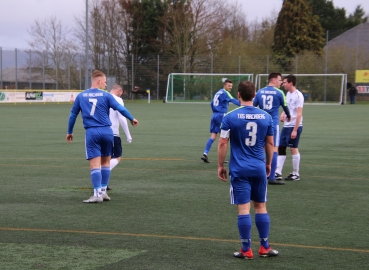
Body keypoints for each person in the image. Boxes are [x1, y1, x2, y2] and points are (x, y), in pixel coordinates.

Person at [218, 81, 279, 260]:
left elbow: (222, 143)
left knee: (244, 209)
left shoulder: (229, 117)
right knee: (261, 206)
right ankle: (265, 247)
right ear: (254, 96)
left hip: (239, 169)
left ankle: (246, 249)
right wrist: (268, 164)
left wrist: (220, 165)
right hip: (258, 167)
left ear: (238, 95)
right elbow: (270, 143)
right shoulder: (266, 117)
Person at [66, 70, 139, 203]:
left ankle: (97, 194)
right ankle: (104, 192)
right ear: (98, 81)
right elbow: (120, 109)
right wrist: (131, 118)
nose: (106, 84)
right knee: (105, 163)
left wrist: (69, 132)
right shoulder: (106, 96)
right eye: (105, 82)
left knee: (95, 165)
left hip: (92, 132)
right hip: (107, 132)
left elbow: (73, 115)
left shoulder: (81, 96)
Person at [253, 72, 291, 185]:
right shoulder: (279, 93)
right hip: (273, 124)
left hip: (260, 124)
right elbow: (285, 107)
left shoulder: (259, 92)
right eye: (280, 80)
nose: (281, 82)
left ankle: (260, 175)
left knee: (261, 149)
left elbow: (253, 106)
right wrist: (288, 116)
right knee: (274, 149)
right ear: (273, 80)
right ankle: (272, 177)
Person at [201, 79, 240, 163]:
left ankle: (205, 153)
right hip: (221, 115)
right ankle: (224, 158)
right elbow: (233, 100)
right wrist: (245, 104)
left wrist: (216, 111)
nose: (230, 88)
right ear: (224, 85)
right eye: (229, 86)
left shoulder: (218, 92)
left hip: (214, 115)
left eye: (231, 86)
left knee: (213, 136)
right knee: (225, 137)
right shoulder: (225, 93)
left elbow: (211, 103)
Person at [275, 74, 304, 181]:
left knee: (293, 148)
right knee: (281, 147)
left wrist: (295, 130)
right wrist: (283, 115)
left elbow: (299, 114)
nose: (283, 84)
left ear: (291, 83)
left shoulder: (298, 95)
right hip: (286, 126)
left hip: (294, 126)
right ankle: (278, 171)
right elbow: (288, 107)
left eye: (285, 82)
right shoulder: (287, 94)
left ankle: (296, 173)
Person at [107, 84, 132, 190]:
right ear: (119, 91)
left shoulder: (103, 97)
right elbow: (122, 118)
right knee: (117, 157)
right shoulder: (118, 99)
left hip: (99, 132)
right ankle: (101, 172)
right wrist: (128, 135)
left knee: (105, 158)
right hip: (112, 133)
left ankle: (103, 184)